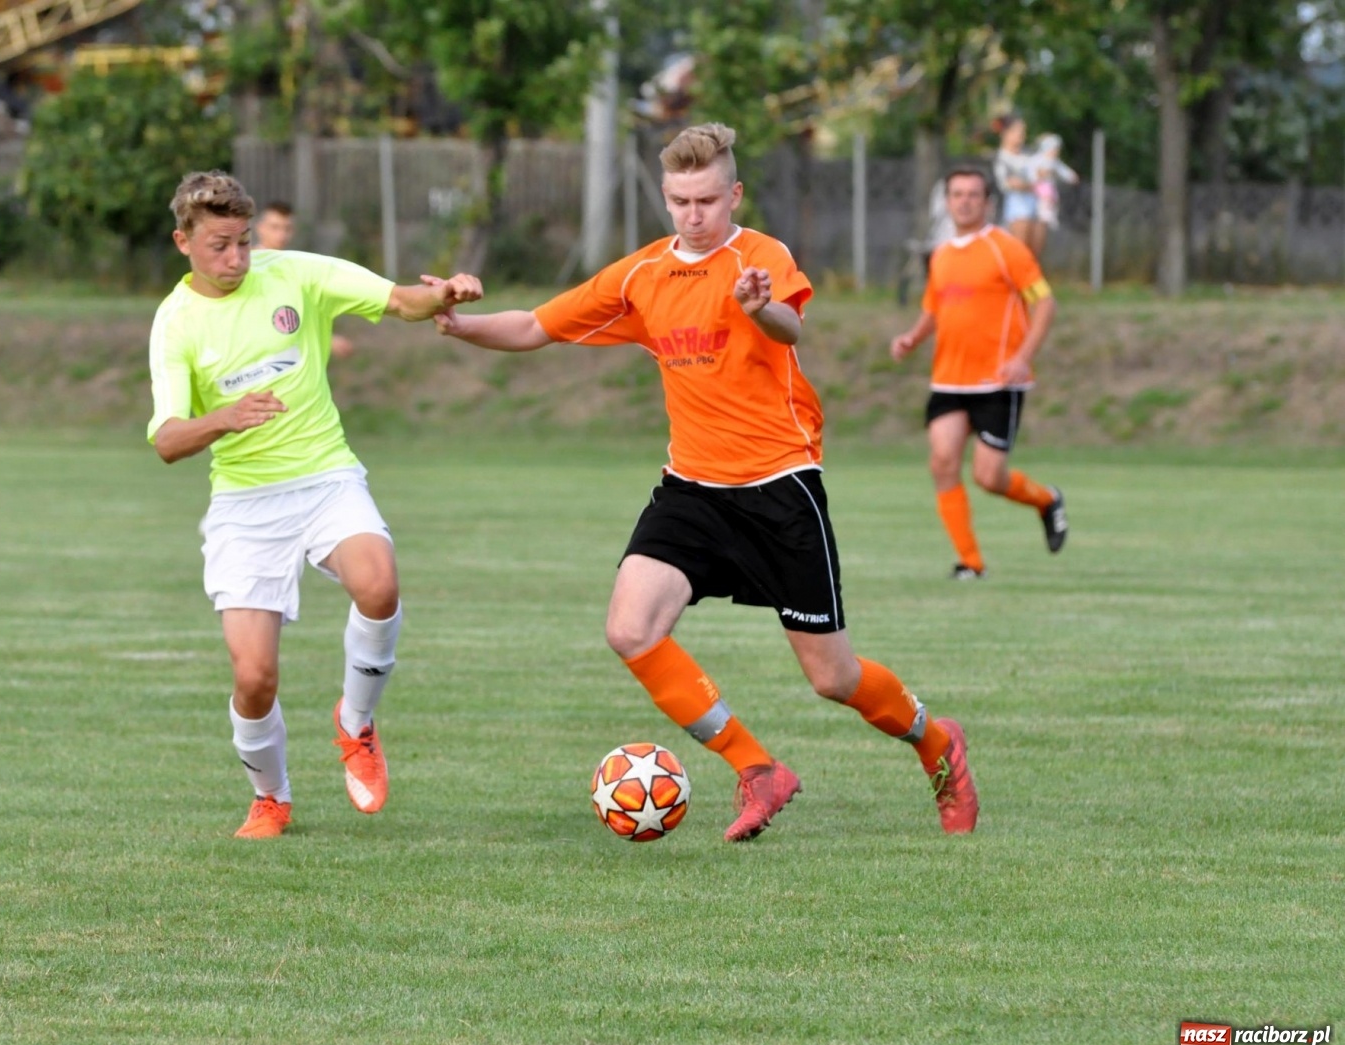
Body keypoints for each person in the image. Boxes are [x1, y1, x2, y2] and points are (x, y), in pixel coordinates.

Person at [434, 123, 978, 840]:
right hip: (691, 489)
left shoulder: (761, 257)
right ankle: (758, 769)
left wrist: (759, 307)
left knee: (833, 677)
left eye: (707, 199)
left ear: (735, 194)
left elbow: (790, 327)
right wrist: (457, 323)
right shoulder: (642, 274)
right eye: (679, 199)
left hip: (779, 485)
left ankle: (937, 743)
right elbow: (536, 325)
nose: (693, 214)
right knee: (629, 627)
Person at [148, 171, 482, 839]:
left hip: (325, 474)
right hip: (245, 504)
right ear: (183, 240)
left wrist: (442, 293)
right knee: (255, 675)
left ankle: (356, 723)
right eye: (219, 245)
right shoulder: (175, 321)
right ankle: (271, 798)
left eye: (243, 242)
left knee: (379, 583)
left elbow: (398, 301)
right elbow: (166, 439)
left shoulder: (295, 273)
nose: (237, 259)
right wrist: (224, 418)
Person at [889, 167, 1067, 580]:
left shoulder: (1008, 249)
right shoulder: (943, 254)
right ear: (947, 201)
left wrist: (1024, 355)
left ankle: (1046, 500)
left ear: (988, 203)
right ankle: (970, 562)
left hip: (997, 381)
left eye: (973, 195)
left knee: (989, 477)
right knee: (942, 462)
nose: (964, 201)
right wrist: (912, 339)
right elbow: (934, 307)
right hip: (949, 380)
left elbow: (1045, 303)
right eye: (957, 194)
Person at [256, 200, 355, 359]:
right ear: (260, 228)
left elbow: (292, 315)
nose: (281, 235)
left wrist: (326, 339)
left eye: (287, 228)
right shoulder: (245, 266)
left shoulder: (292, 268)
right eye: (274, 227)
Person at [993, 116, 1046, 259]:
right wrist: (1030, 184)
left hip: (1036, 206)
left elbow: (1042, 175)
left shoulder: (1028, 155)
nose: (1021, 135)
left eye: (1023, 131)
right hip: (1013, 209)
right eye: (1017, 131)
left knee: (1033, 254)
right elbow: (1008, 184)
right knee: (1019, 253)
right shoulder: (1001, 158)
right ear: (1005, 133)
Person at [1031, 133, 1080, 229]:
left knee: (1053, 199)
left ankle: (1050, 216)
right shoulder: (1037, 159)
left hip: (1049, 187)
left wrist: (1072, 176)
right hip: (1039, 187)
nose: (1057, 152)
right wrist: (1038, 176)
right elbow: (1032, 171)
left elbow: (1062, 170)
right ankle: (1044, 215)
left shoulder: (1054, 161)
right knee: (1045, 199)